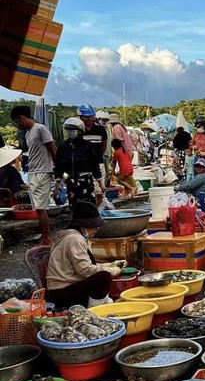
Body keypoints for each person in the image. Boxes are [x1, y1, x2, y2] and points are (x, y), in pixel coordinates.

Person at [46, 201, 122, 308]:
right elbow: (84, 270)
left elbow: (85, 265)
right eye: (93, 226)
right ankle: (94, 311)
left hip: (64, 288)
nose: (97, 229)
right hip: (60, 293)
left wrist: (108, 265)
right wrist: (109, 270)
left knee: (102, 275)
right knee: (103, 278)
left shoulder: (74, 236)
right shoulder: (75, 239)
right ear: (83, 225)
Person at [10, 104, 56, 244]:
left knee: (41, 208)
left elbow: (53, 149)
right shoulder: (29, 132)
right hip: (33, 171)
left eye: (18, 122)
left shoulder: (40, 129)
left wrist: (57, 171)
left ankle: (46, 238)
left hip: (42, 172)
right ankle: (45, 235)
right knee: (39, 207)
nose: (19, 125)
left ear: (22, 118)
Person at [54, 118, 104, 206]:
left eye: (72, 130)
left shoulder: (87, 146)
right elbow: (59, 165)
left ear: (80, 131)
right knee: (74, 205)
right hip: (71, 181)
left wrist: (100, 182)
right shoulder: (63, 146)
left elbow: (94, 164)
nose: (70, 132)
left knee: (87, 205)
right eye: (68, 130)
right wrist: (57, 182)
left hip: (85, 181)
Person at [96, 111, 112, 179]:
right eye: (103, 120)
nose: (105, 122)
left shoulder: (106, 129)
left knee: (107, 174)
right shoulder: (96, 129)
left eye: (106, 120)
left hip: (107, 154)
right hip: (101, 155)